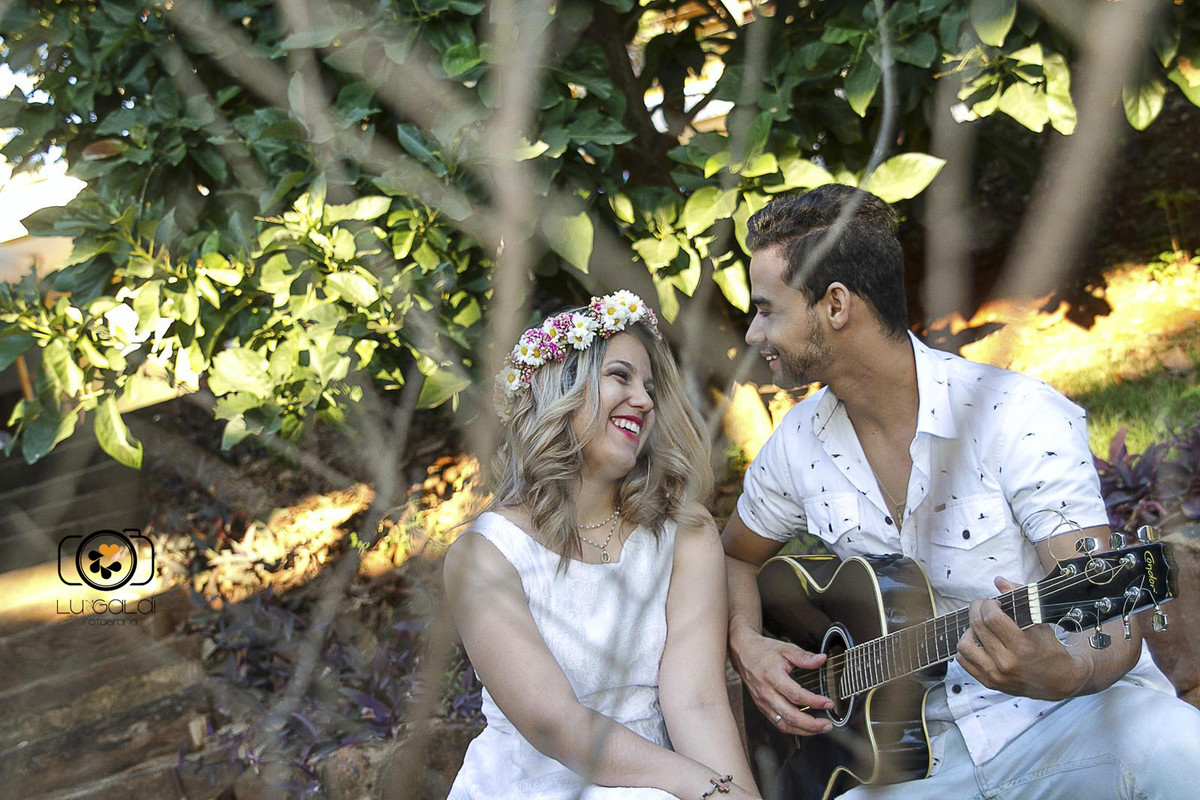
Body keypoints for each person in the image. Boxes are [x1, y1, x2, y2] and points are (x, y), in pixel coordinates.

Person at [720, 185, 1200, 798]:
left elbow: (1112, 624)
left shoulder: (1015, 417)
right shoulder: (797, 444)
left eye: (766, 309)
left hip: (1056, 725)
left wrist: (1063, 671)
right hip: (905, 764)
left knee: (1177, 746)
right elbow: (736, 555)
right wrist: (748, 646)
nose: (754, 332)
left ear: (835, 305)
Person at [444, 291, 761, 799]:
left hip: (655, 785)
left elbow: (697, 701)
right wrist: (704, 787)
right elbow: (555, 723)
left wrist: (737, 796)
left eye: (650, 386)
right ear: (561, 391)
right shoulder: (486, 554)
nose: (645, 400)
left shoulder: (686, 534)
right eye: (620, 376)